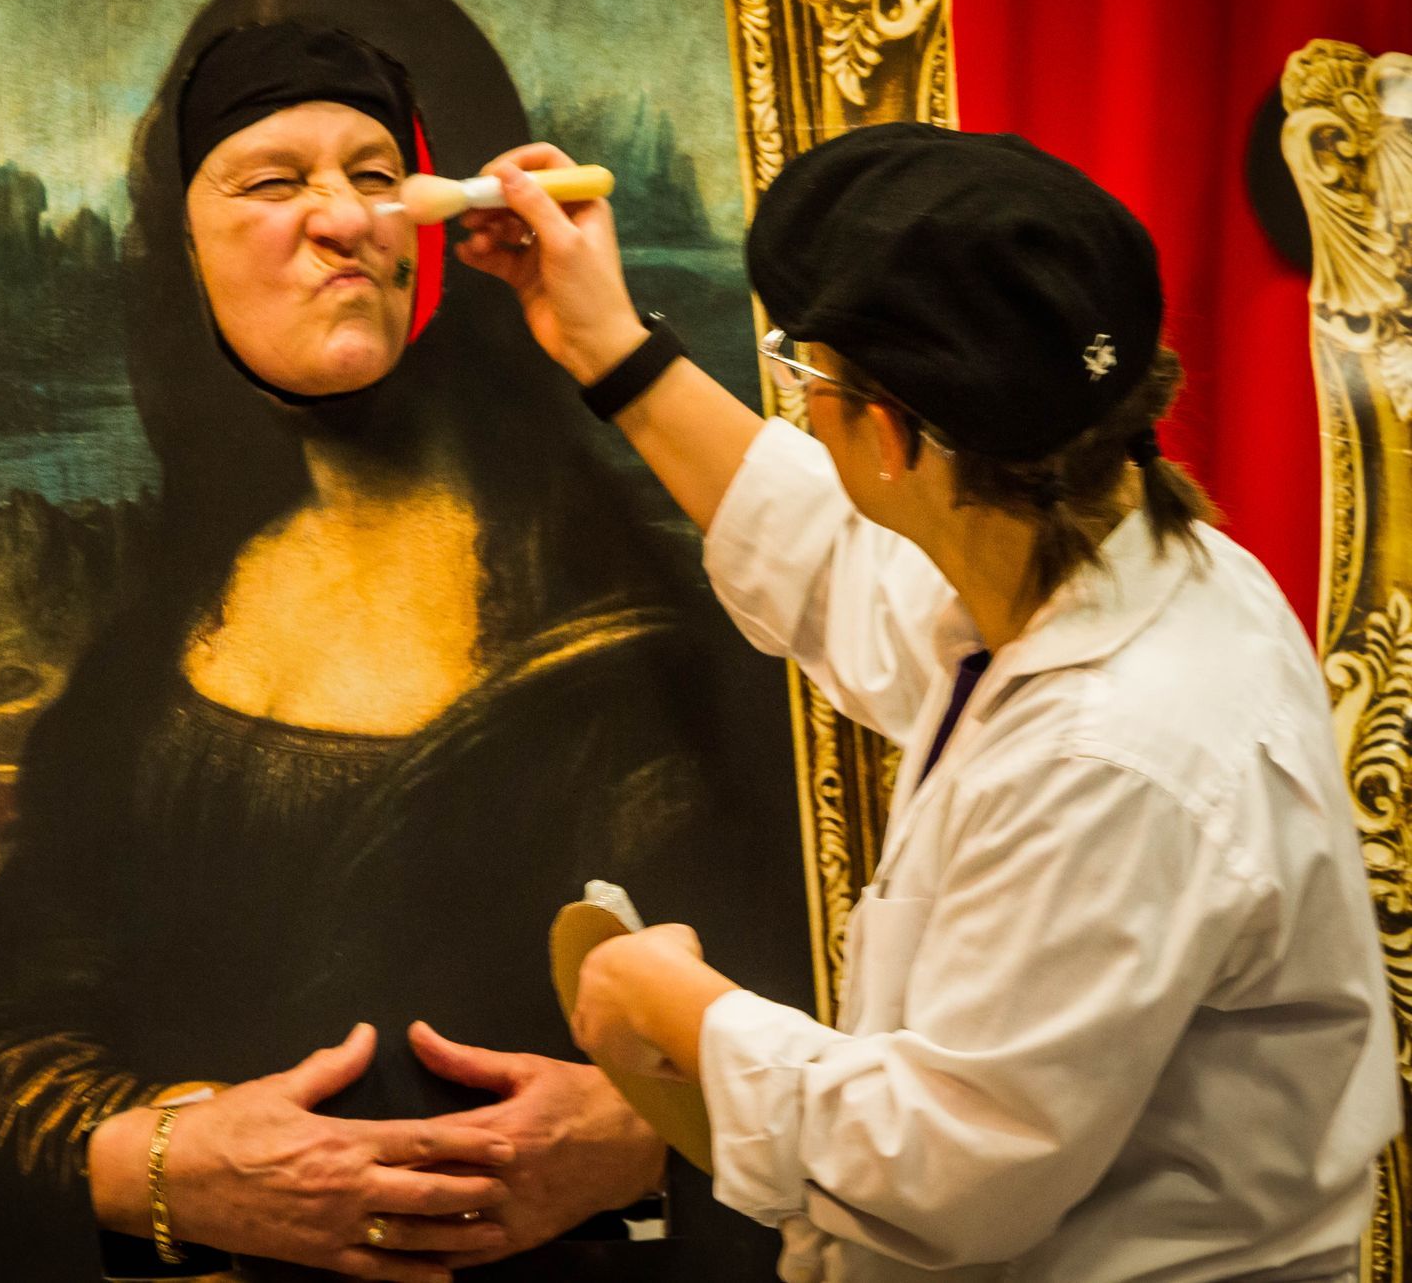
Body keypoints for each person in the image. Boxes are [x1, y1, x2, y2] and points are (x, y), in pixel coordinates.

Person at [0, 0, 812, 1283]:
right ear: (180, 251)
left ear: (448, 223)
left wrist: (656, 1133)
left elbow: (844, 1023)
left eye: (377, 174)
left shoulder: (654, 635)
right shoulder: (142, 658)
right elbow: (5, 1045)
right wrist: (165, 1166)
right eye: (271, 182)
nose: (341, 220)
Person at [457, 122, 1401, 1283]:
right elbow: (835, 560)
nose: (804, 408)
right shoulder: (1126, 562)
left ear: (894, 434)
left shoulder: (1113, 756)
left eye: (808, 380)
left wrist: (681, 1008)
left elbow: (954, 1167)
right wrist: (609, 346)